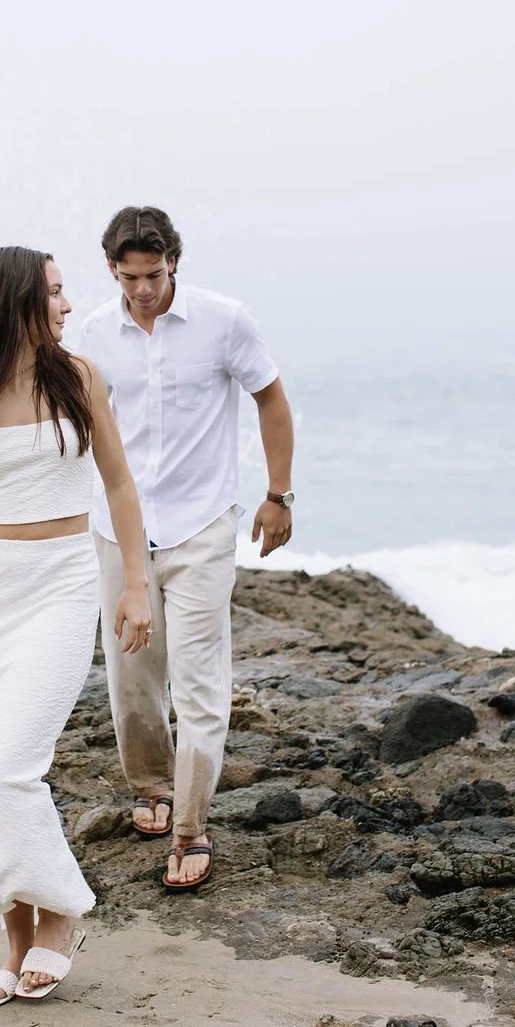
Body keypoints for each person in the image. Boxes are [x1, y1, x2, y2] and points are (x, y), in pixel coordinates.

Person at [0, 246, 151, 1006]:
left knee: (13, 765)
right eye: (54, 293)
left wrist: (136, 582)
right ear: (13, 301)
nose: (68, 306)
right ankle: (14, 945)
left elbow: (118, 483)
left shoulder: (78, 377)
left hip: (63, 581)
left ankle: (62, 914)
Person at [78, 206, 295, 892]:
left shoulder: (223, 320)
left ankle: (191, 826)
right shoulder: (89, 335)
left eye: (155, 274)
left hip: (201, 525)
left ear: (174, 261)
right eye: (130, 277)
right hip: (119, 530)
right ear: (111, 269)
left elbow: (271, 400)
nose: (144, 289)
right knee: (132, 673)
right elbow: (75, 429)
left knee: (199, 680)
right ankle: (151, 784)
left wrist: (279, 494)